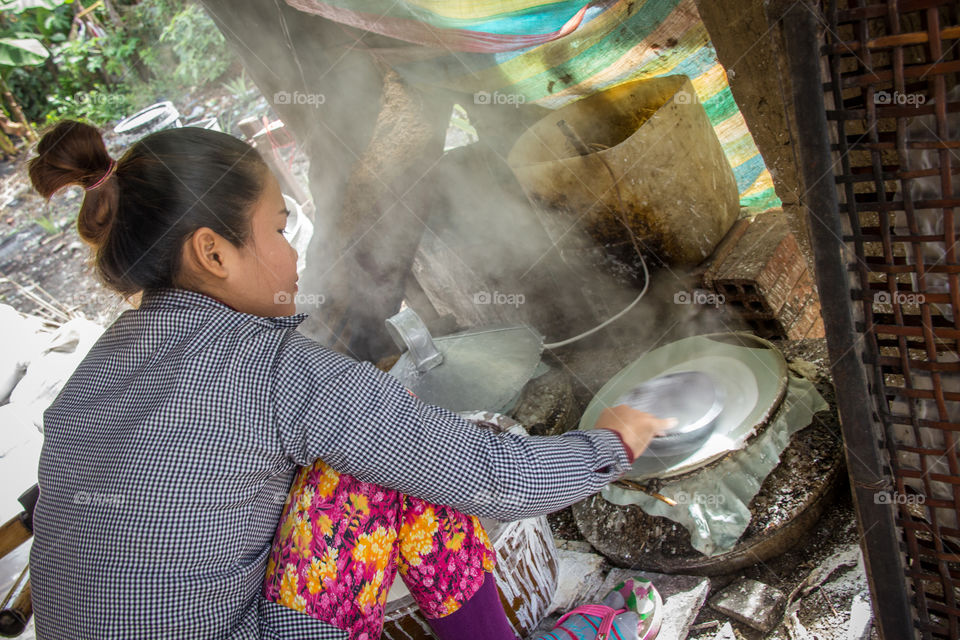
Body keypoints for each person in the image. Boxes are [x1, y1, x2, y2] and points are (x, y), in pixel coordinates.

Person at [26, 120, 670, 640]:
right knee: (392, 463)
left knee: (384, 437)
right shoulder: (269, 366)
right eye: (279, 228)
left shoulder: (88, 382)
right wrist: (614, 443)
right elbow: (496, 480)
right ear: (212, 252)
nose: (295, 251)